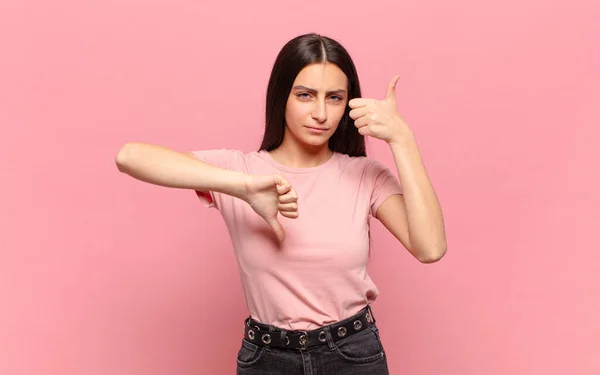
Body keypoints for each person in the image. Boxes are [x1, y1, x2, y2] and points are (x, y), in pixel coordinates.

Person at [115, 33, 447, 375]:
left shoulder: (365, 175)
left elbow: (430, 247)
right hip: (266, 359)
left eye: (334, 98)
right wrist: (244, 188)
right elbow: (130, 157)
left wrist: (401, 138)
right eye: (305, 95)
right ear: (282, 97)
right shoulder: (242, 170)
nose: (320, 113)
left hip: (351, 355)